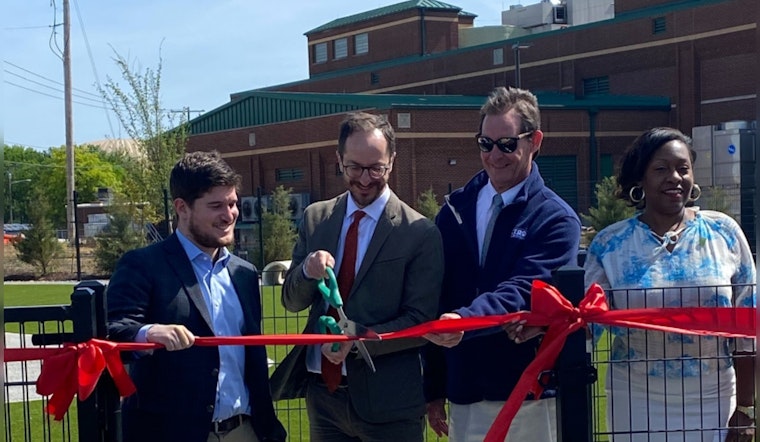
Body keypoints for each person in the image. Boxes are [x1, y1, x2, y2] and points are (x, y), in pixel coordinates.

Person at [269, 111, 444, 441]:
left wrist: (357, 341)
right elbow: (291, 302)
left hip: (389, 402)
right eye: (354, 167)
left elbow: (421, 321)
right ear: (339, 160)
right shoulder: (315, 218)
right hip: (323, 396)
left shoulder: (420, 232)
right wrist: (307, 270)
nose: (365, 179)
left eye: (376, 168)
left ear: (392, 161)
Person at [422, 86, 581, 441]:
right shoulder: (452, 212)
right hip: (465, 393)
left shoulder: (556, 219)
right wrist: (433, 387)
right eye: (485, 143)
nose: (495, 154)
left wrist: (466, 320)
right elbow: (438, 296)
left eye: (507, 144)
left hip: (529, 395)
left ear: (535, 140)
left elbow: (525, 288)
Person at [583, 127, 756, 442]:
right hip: (634, 399)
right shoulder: (610, 244)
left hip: (713, 398)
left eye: (682, 168)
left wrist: (746, 407)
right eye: (661, 169)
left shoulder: (725, 233)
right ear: (641, 179)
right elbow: (587, 326)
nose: (674, 177)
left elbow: (747, 333)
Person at [107, 151, 286, 442]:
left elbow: (251, 358)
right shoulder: (143, 264)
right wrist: (149, 333)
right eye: (216, 205)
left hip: (246, 431)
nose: (229, 215)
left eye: (232, 203)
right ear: (182, 208)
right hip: (172, 433)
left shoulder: (244, 273)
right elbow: (111, 331)